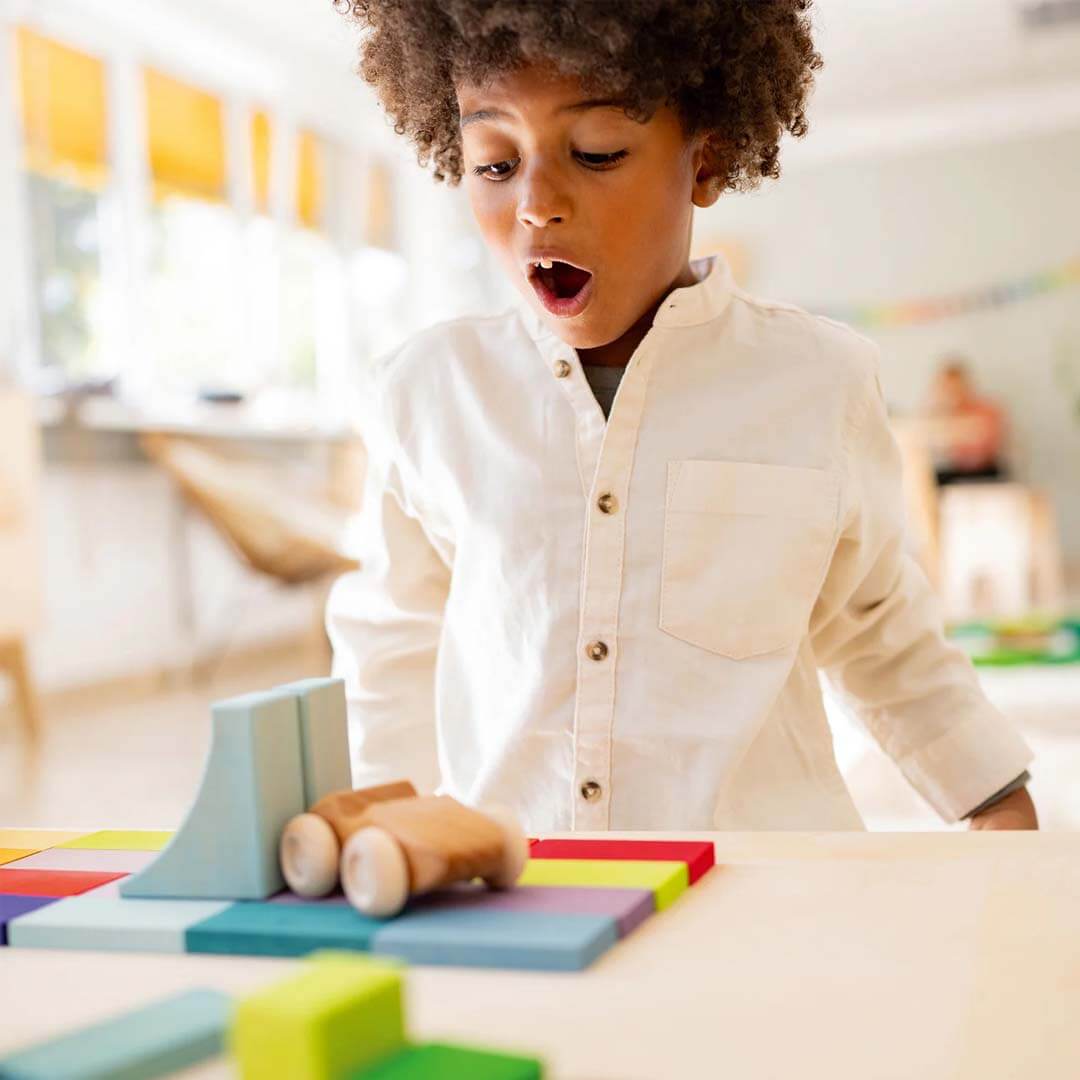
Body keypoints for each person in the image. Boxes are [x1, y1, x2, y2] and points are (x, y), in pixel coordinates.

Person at [326, 1, 1036, 832]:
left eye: (595, 153)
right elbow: (392, 641)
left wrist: (992, 797)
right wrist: (388, 825)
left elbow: (878, 628)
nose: (536, 202)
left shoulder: (819, 382)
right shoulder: (428, 393)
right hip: (517, 889)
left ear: (707, 157)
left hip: (762, 891)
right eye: (492, 162)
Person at [925, 358, 1008, 486]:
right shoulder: (939, 413)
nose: (951, 391)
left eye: (955, 386)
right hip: (953, 471)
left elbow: (984, 448)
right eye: (946, 387)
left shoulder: (985, 410)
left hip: (984, 471)